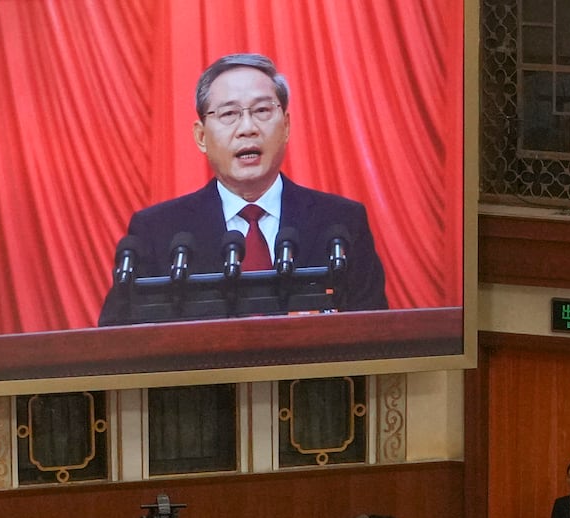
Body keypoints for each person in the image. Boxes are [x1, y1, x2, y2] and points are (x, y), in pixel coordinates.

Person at [98, 53, 387, 325]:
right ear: (201, 136)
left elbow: (375, 333)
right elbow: (116, 340)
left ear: (285, 126)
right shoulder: (158, 232)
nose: (247, 128)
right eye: (229, 114)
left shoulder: (341, 223)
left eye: (262, 110)